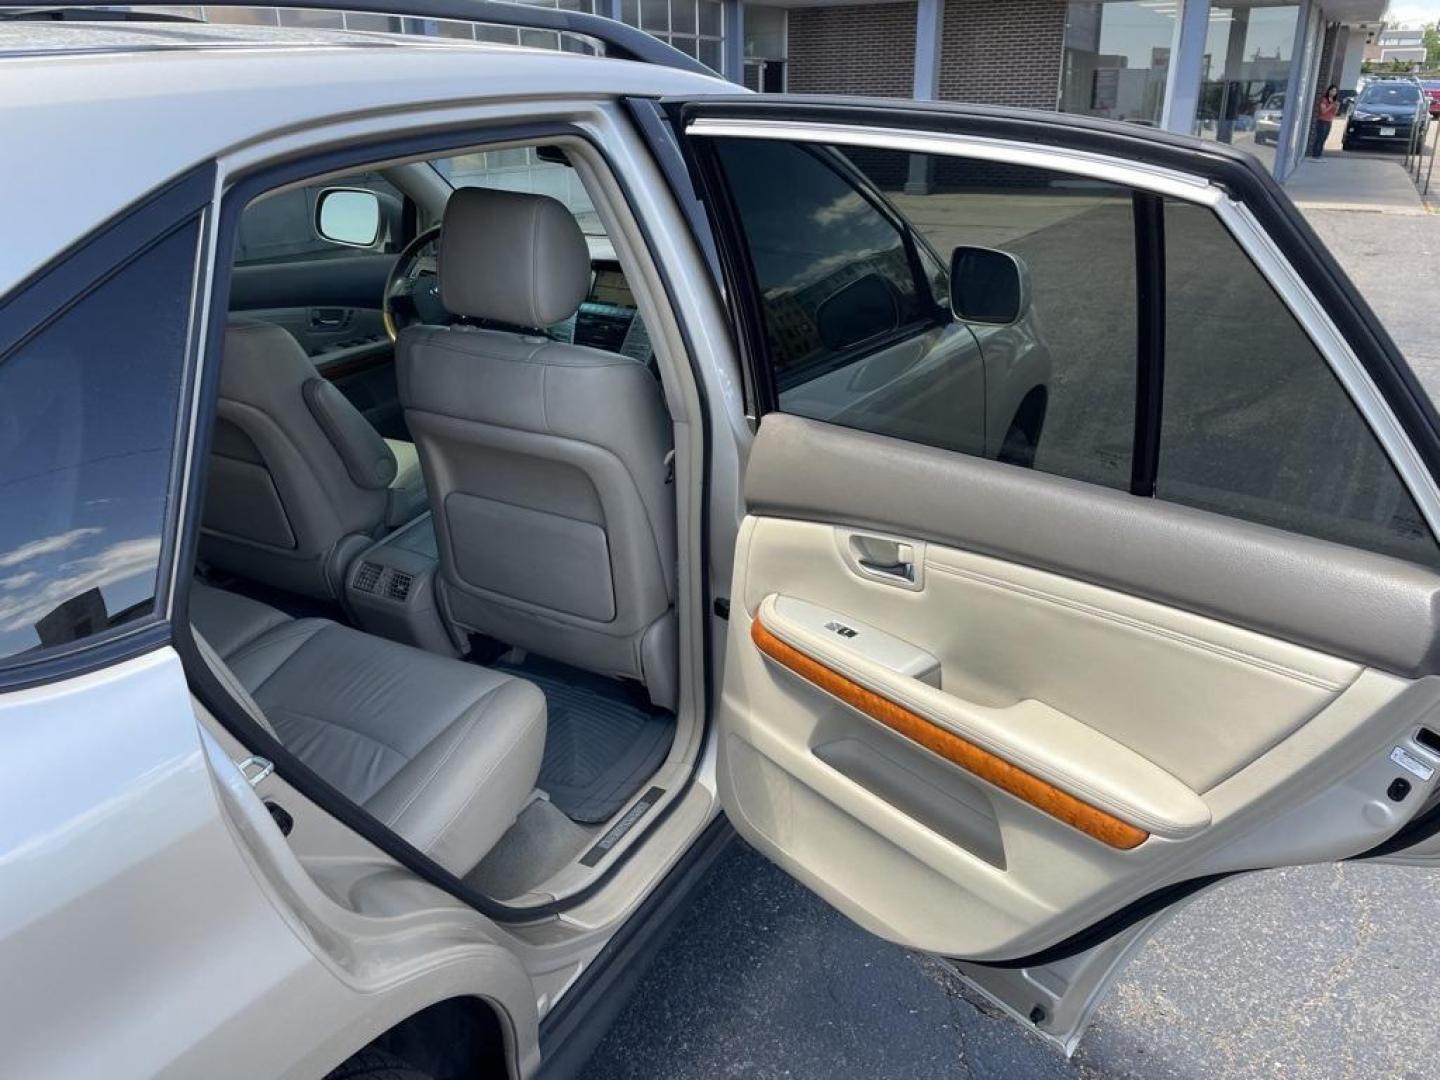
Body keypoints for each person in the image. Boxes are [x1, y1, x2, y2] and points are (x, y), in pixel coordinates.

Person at [1312, 84, 1340, 158]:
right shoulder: (1324, 99)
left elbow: (1334, 113)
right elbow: (1323, 111)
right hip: (1322, 121)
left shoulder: (1334, 101)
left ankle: (1319, 153)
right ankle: (1315, 154)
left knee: (1324, 137)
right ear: (1329, 91)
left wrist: (1336, 107)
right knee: (1320, 137)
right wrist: (1331, 106)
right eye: (1332, 90)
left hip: (1329, 121)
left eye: (1335, 91)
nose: (1333, 92)